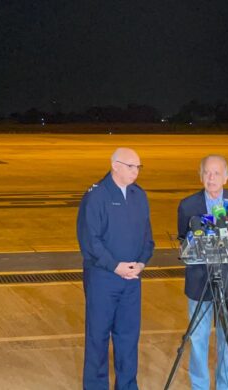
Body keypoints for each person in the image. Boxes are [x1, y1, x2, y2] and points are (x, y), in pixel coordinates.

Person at [77, 147, 155, 390]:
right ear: (116, 166)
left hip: (132, 279)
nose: (136, 172)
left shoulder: (138, 195)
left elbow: (147, 237)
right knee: (98, 338)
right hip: (103, 278)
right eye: (131, 166)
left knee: (128, 338)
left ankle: (128, 385)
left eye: (138, 167)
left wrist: (141, 262)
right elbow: (90, 240)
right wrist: (115, 266)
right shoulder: (96, 196)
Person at [177, 154, 228, 390]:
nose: (211, 178)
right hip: (199, 283)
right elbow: (183, 241)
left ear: (226, 177)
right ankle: (199, 386)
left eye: (216, 173)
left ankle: (225, 386)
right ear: (200, 175)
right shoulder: (187, 205)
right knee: (198, 339)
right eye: (207, 173)